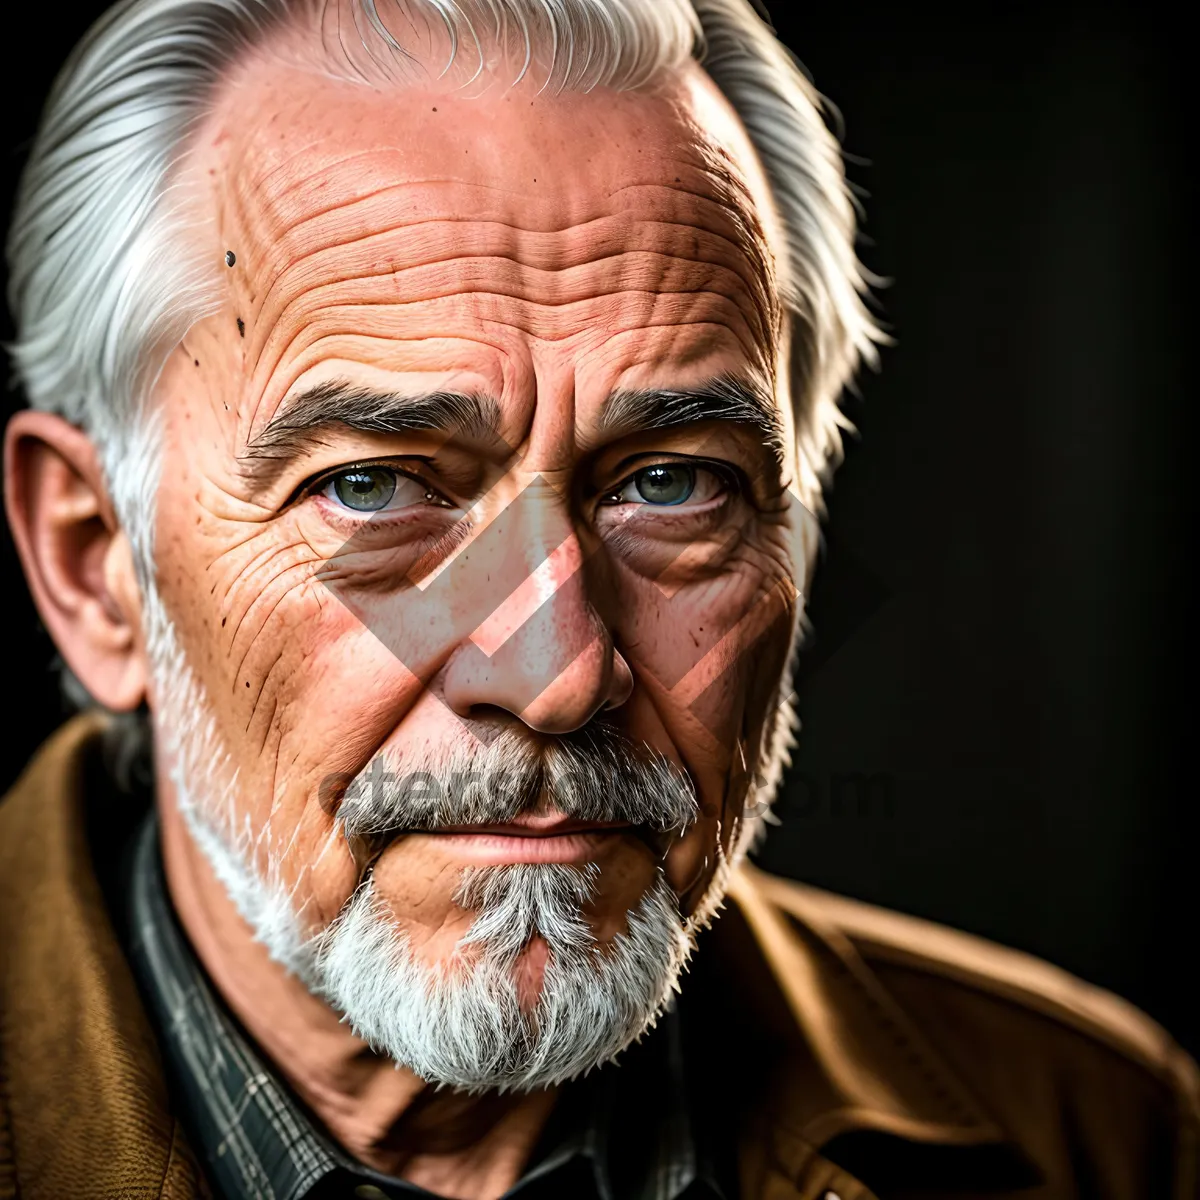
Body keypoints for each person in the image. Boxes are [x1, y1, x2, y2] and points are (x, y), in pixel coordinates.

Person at [1, 2, 1195, 1197]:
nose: (559, 675)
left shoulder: (1103, 1139)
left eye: (671, 486)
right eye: (371, 488)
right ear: (95, 564)